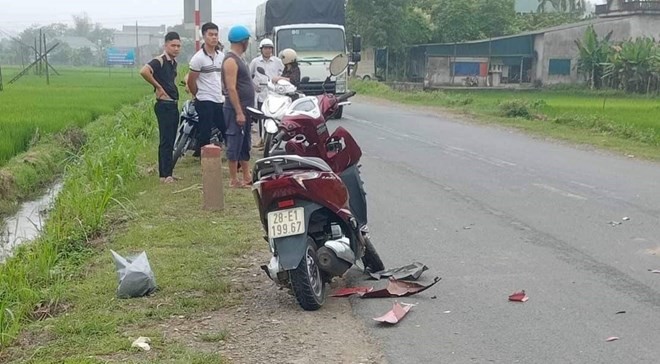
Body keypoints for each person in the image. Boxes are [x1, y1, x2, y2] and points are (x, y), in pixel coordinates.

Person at [139, 31, 181, 184]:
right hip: (164, 106)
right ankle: (165, 175)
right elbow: (144, 71)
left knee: (171, 140)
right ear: (166, 45)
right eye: (173, 45)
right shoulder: (160, 60)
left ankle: (167, 173)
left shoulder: (173, 63)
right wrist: (158, 86)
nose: (176, 48)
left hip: (172, 104)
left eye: (178, 46)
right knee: (165, 140)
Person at [222, 25, 256, 188]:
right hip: (236, 110)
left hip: (245, 109)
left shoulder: (240, 59)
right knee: (235, 141)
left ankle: (246, 176)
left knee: (245, 143)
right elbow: (231, 88)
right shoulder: (230, 60)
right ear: (243, 41)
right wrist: (239, 112)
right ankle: (234, 179)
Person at [187, 22, 225, 157]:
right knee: (205, 130)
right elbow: (191, 81)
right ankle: (205, 160)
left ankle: (233, 156)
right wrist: (197, 94)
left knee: (225, 128)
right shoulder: (198, 58)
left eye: (216, 34)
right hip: (204, 99)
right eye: (210, 35)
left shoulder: (221, 56)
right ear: (204, 36)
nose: (214, 37)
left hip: (218, 98)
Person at [249, 38, 284, 147]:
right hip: (261, 95)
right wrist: (254, 86)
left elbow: (283, 74)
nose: (267, 51)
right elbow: (249, 76)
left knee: (276, 117)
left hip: (274, 95)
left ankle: (274, 140)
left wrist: (278, 81)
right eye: (265, 48)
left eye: (269, 48)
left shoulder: (277, 61)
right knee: (262, 118)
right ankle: (262, 140)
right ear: (261, 49)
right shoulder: (255, 62)